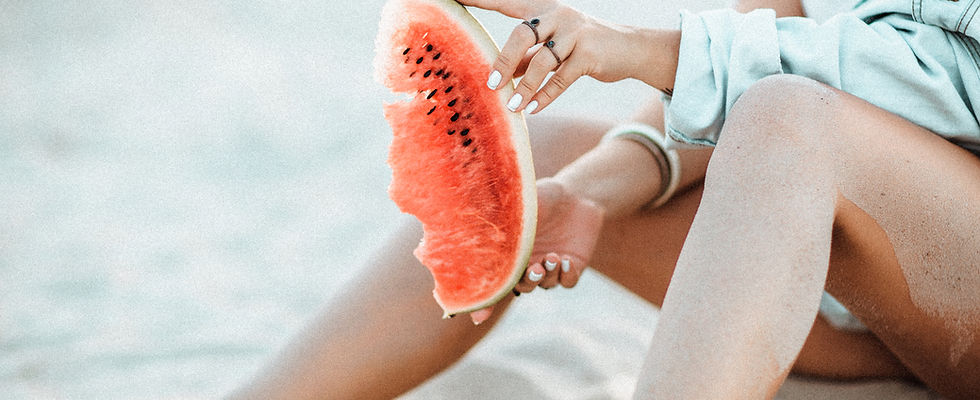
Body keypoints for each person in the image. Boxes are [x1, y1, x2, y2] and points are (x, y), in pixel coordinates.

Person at [230, 0, 980, 398]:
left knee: (790, 116)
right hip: (869, 311)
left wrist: (636, 49)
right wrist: (594, 189)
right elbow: (761, 54)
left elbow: (948, 82)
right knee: (552, 161)